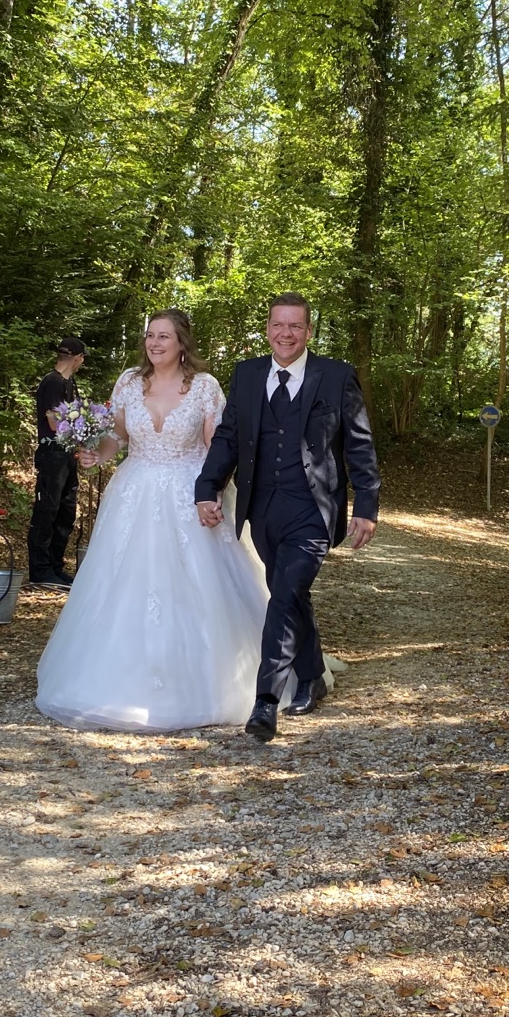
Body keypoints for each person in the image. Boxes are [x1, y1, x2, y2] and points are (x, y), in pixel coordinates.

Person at [35, 310, 271, 732]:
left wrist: (212, 492)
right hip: (136, 491)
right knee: (125, 580)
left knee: (199, 583)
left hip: (190, 492)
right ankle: (116, 679)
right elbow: (117, 438)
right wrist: (95, 455)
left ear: (182, 342)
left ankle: (217, 677)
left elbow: (218, 449)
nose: (155, 343)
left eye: (165, 336)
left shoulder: (203, 386)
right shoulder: (128, 381)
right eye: (150, 336)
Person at [195, 293, 381, 743]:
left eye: (295, 326)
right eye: (279, 325)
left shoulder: (335, 377)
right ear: (267, 328)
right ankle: (313, 672)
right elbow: (228, 438)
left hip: (313, 510)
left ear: (309, 332)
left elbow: (359, 443)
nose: (286, 334)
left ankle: (266, 701)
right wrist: (207, 487)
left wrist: (367, 506)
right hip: (262, 509)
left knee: (282, 597)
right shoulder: (247, 375)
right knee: (290, 594)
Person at [26, 337, 86, 590]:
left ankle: (55, 567)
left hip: (67, 453)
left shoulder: (68, 383)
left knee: (65, 511)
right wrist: (84, 426)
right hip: (53, 453)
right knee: (47, 510)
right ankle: (40, 570)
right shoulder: (52, 383)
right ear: (78, 358)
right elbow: (54, 422)